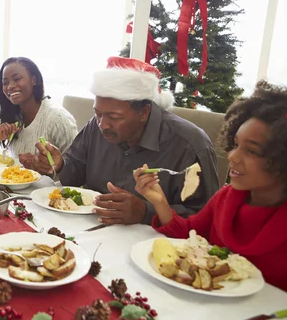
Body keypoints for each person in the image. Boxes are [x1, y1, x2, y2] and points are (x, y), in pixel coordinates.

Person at [134, 81, 287, 292]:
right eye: (234, 145)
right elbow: (187, 237)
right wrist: (159, 201)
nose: (232, 156)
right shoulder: (226, 198)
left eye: (251, 151)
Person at [33, 57, 220, 225]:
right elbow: (74, 173)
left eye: (114, 117)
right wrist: (59, 166)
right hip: (88, 229)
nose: (103, 125)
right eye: (97, 114)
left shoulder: (188, 145)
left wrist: (145, 212)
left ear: (144, 112)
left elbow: (204, 218)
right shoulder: (96, 126)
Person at [0, 57, 77, 168]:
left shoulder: (57, 117)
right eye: (5, 82)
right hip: (12, 182)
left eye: (17, 79)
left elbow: (76, 169)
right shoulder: (12, 116)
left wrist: (47, 165)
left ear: (34, 79)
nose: (10, 86)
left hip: (51, 185)